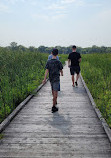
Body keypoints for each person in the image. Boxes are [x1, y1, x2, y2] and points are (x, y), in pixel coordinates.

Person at [43, 49, 63, 113]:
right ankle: (53, 106)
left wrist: (44, 79)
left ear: (51, 53)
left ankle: (54, 101)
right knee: (56, 92)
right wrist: (62, 73)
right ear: (57, 54)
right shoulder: (58, 62)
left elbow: (46, 71)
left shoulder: (48, 62)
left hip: (51, 78)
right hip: (56, 79)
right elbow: (61, 70)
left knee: (52, 91)